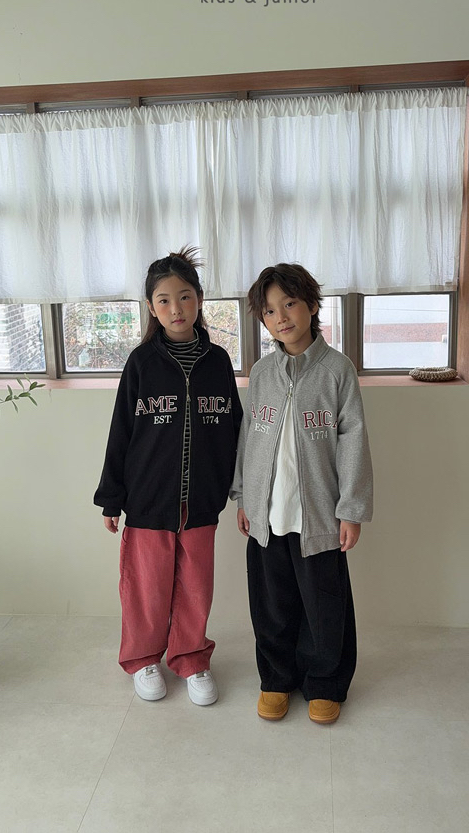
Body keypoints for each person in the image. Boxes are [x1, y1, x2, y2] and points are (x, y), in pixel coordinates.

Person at [94, 247, 242, 706]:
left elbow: (235, 430)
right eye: (164, 300)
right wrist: (112, 497)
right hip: (147, 502)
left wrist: (238, 490)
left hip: (201, 503)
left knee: (196, 588)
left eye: (184, 296)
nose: (176, 308)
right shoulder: (141, 363)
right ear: (151, 308)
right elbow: (121, 432)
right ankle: (143, 658)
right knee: (146, 589)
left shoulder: (218, 362)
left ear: (199, 300)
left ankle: (191, 658)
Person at [231, 264, 372, 724]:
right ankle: (276, 679)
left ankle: (325, 683)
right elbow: (249, 437)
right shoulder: (262, 372)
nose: (281, 317)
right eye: (270, 311)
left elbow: (353, 440)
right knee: (271, 606)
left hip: (319, 516)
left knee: (323, 607)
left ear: (311, 304)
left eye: (289, 304)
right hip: (268, 515)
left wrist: (350, 509)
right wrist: (244, 497)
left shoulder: (337, 371)